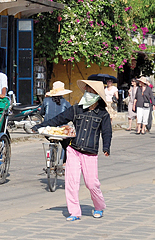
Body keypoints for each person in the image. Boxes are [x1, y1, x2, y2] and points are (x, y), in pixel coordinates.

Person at [33, 80, 111, 222]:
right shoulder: (76, 109)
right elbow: (58, 119)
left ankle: (99, 206)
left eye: (91, 92)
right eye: (86, 91)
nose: (87, 94)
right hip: (74, 150)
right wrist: (40, 126)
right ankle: (74, 212)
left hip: (90, 153)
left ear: (97, 95)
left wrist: (106, 147)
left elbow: (106, 132)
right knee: (71, 182)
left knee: (92, 183)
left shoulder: (103, 114)